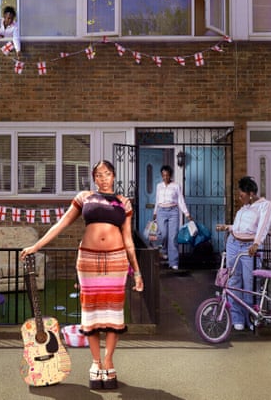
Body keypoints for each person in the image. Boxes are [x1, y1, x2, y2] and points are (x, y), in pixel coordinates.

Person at [20, 160, 143, 390]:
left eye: (107, 173)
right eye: (99, 174)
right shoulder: (84, 197)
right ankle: (96, 363)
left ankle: (108, 362)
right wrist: (36, 246)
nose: (103, 178)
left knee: (114, 315)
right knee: (92, 314)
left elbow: (128, 239)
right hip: (87, 261)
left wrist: (136, 271)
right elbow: (61, 224)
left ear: (113, 176)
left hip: (116, 260)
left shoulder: (123, 202)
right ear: (94, 178)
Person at [216, 176, 271, 331]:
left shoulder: (265, 206)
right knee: (233, 280)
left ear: (251, 193)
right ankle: (237, 318)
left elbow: (263, 226)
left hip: (249, 247)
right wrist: (227, 227)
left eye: (242, 195)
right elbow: (241, 227)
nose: (240, 198)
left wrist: (256, 243)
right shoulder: (244, 208)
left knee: (249, 283)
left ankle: (251, 317)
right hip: (233, 243)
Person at [153, 165, 192, 270]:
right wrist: (155, 212)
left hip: (173, 212)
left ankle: (174, 262)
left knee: (173, 237)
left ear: (170, 175)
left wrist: (187, 214)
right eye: (163, 175)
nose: (165, 177)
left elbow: (180, 200)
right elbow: (157, 199)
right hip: (161, 211)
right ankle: (164, 251)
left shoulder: (176, 186)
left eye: (167, 175)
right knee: (163, 234)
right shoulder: (159, 186)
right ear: (161, 175)